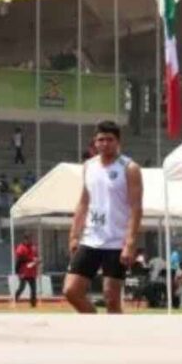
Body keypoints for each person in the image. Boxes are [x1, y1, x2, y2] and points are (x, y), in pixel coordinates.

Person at [63, 121, 143, 314]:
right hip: (91, 239)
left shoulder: (129, 168)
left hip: (116, 242)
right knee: (71, 291)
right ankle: (95, 325)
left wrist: (130, 243)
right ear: (94, 142)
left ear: (118, 141)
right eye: (101, 140)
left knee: (111, 297)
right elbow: (83, 202)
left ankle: (118, 339)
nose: (105, 144)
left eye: (110, 139)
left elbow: (136, 207)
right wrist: (74, 234)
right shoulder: (89, 166)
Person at [13, 232, 40, 308]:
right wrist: (17, 271)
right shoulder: (21, 248)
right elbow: (20, 259)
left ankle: (33, 304)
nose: (30, 241)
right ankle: (16, 297)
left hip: (32, 272)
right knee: (22, 287)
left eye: (30, 239)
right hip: (23, 272)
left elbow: (36, 257)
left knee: (33, 289)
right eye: (28, 239)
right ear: (25, 239)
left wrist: (37, 260)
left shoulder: (33, 247)